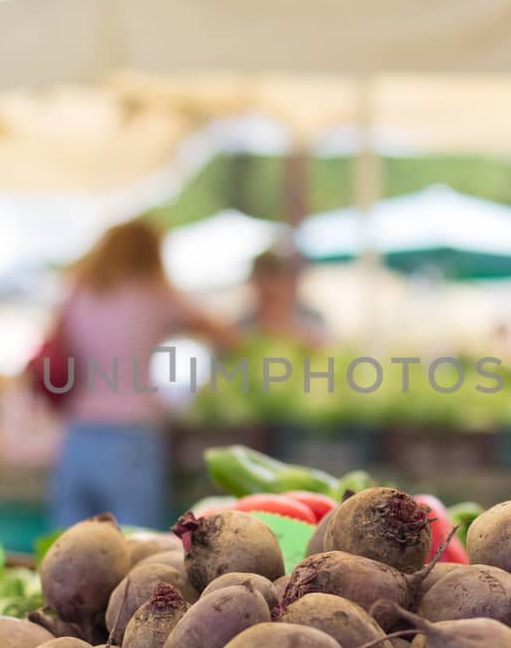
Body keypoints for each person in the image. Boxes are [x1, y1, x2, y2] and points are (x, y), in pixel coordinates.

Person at [47, 220, 232, 530]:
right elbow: (224, 335)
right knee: (136, 546)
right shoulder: (154, 293)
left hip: (79, 434)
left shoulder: (77, 292)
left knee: (68, 545)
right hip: (133, 435)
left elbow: (53, 345)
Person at [238, 248, 329, 348]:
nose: (271, 288)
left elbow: (326, 346)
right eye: (263, 280)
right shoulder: (242, 326)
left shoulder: (313, 319)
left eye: (276, 279)